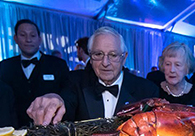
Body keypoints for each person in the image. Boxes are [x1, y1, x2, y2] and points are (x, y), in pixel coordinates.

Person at [27, 26, 159, 125]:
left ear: (124, 58)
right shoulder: (74, 81)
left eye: (113, 55)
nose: (105, 63)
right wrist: (54, 97)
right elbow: (65, 101)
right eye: (98, 54)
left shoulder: (147, 89)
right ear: (90, 56)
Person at [0, 19, 70, 127]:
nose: (28, 40)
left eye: (32, 35)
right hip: (15, 131)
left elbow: (67, 95)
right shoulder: (4, 66)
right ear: (15, 38)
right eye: (23, 35)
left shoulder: (58, 64)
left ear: (39, 39)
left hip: (50, 129)